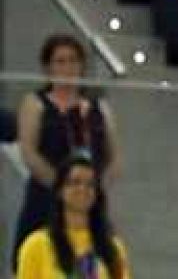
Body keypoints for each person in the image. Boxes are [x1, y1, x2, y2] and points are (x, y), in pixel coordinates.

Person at [11, 36, 120, 270]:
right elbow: (29, 152)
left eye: (73, 61)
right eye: (59, 61)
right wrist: (63, 186)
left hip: (89, 204)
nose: (67, 68)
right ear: (48, 67)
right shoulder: (35, 103)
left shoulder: (99, 107)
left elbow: (114, 157)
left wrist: (93, 187)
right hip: (45, 200)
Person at [13, 154, 130, 279]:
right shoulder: (36, 246)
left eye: (90, 184)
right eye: (75, 182)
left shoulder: (113, 248)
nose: (83, 189)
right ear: (60, 190)